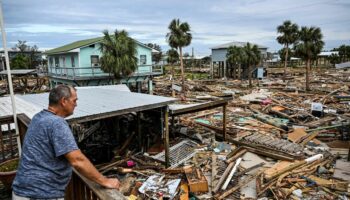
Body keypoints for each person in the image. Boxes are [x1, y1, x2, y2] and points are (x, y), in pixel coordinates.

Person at [12, 85, 120, 199]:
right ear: (64, 101)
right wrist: (105, 181)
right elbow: (77, 160)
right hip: (40, 194)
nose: (76, 104)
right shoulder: (57, 123)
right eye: (74, 100)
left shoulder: (38, 117)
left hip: (22, 191)